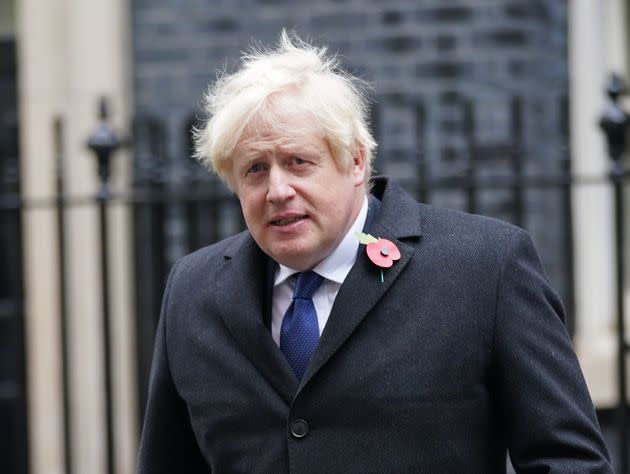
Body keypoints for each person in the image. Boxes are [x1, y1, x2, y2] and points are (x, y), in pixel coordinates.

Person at [137, 31, 612, 473]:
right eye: (255, 169)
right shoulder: (192, 289)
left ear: (356, 161)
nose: (277, 189)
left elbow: (568, 460)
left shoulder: (487, 267)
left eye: (298, 162)